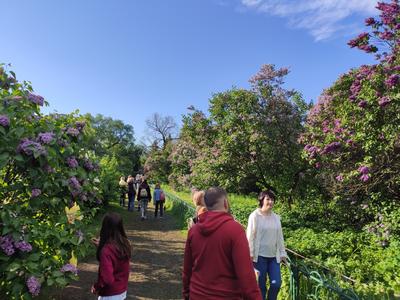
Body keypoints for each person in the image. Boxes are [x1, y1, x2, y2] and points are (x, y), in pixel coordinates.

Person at [182, 187, 262, 300]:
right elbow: (246, 276)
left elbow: (187, 269)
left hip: (197, 294)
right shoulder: (235, 230)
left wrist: (186, 293)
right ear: (225, 203)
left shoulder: (193, 231)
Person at [246, 190, 288, 300]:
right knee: (261, 287)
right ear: (262, 200)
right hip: (259, 257)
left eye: (272, 199)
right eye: (268, 199)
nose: (270, 202)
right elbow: (249, 236)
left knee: (276, 284)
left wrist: (283, 253)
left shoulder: (276, 218)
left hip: (274, 257)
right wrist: (249, 254)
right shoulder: (254, 216)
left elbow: (280, 237)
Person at [91, 212, 131, 300]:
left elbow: (107, 279)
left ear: (104, 228)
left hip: (109, 295)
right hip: (122, 291)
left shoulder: (106, 251)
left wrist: (96, 287)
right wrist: (101, 246)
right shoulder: (125, 243)